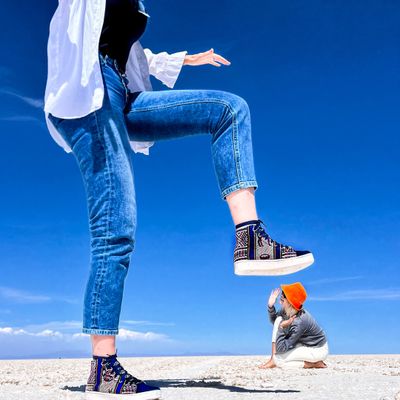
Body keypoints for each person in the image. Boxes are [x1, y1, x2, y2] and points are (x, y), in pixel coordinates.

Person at [44, 0, 315, 397]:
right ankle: (103, 369)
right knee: (115, 230)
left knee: (228, 109)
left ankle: (251, 238)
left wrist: (187, 59)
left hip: (122, 92)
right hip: (90, 93)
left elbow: (136, 55)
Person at [258, 282, 328, 369]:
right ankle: (273, 359)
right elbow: (275, 321)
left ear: (290, 303)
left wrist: (281, 327)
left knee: (279, 360)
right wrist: (270, 306)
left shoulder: (300, 321)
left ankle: (313, 364)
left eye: (282, 300)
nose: (279, 302)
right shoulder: (287, 310)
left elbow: (280, 348)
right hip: (303, 344)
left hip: (317, 349)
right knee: (279, 319)